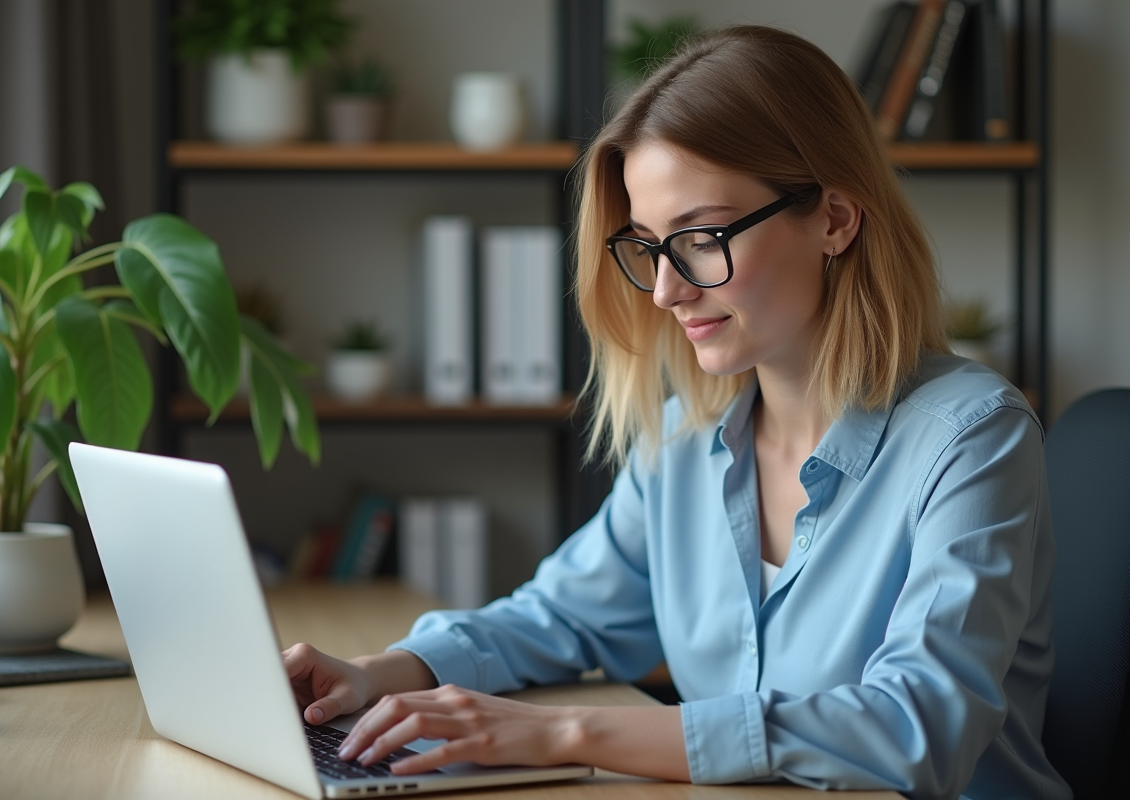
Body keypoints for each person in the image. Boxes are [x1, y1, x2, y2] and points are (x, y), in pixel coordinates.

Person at [283, 26, 1070, 800]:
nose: (666, 291)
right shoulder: (686, 440)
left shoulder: (971, 440)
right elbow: (559, 617)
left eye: (700, 238)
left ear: (834, 219)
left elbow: (916, 728)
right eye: (650, 247)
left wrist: (564, 734)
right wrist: (375, 675)